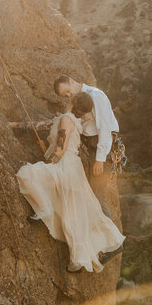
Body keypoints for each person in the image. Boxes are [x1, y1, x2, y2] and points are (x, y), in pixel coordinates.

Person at [16, 92, 124, 273]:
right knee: (73, 213)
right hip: (75, 168)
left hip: (65, 165)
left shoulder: (67, 119)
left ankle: (44, 210)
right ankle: (77, 260)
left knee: (26, 174)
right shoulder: (76, 121)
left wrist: (51, 159)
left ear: (72, 101)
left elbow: (61, 147)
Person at [53, 75, 121, 222]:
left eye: (68, 91)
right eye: (65, 95)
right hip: (92, 148)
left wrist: (100, 160)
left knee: (97, 193)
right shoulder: (80, 100)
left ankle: (113, 241)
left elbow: (105, 128)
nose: (69, 95)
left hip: (103, 149)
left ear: (71, 81)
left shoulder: (96, 96)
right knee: (93, 192)